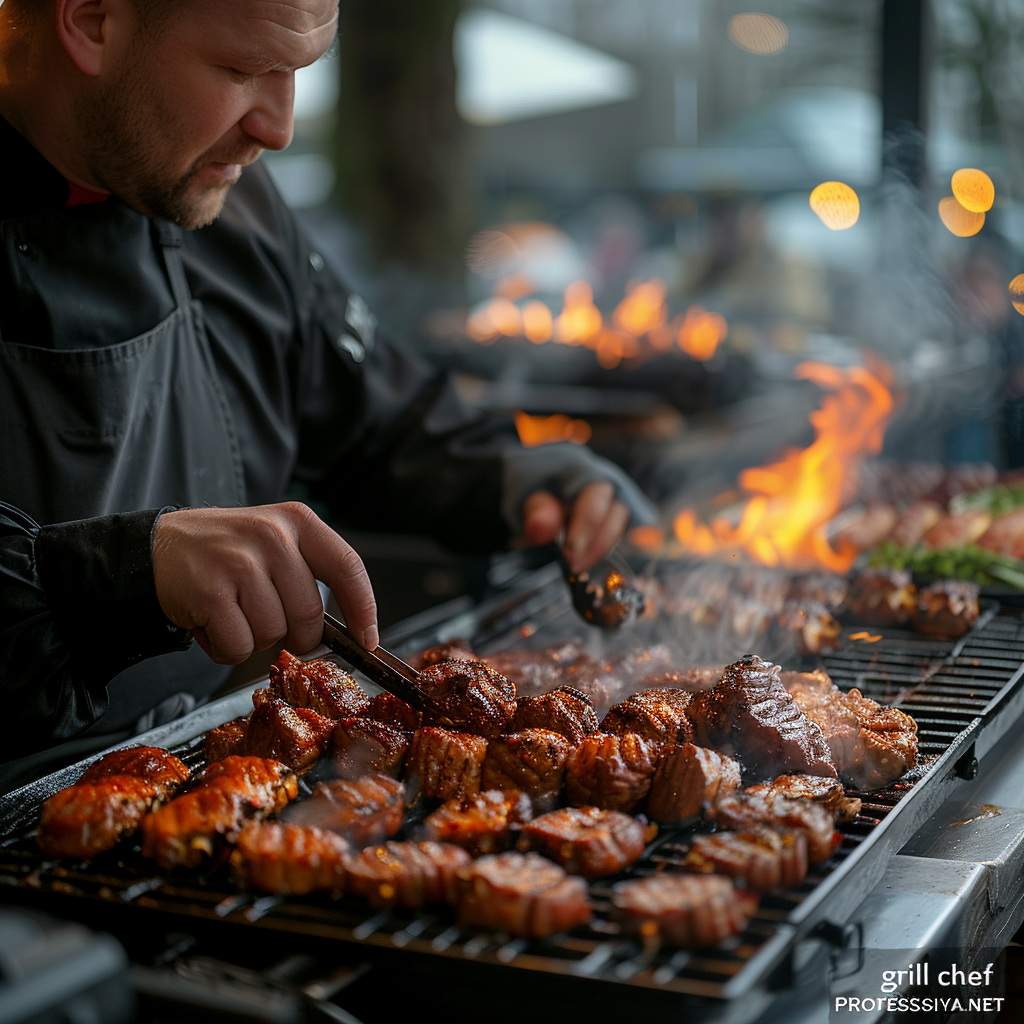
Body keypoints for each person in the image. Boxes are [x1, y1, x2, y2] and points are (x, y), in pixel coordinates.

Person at [0, 0, 655, 790]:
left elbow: (380, 422)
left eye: (300, 75)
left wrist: (518, 476)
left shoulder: (233, 204)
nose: (278, 129)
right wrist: (123, 572)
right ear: (94, 20)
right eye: (242, 72)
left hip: (204, 776)